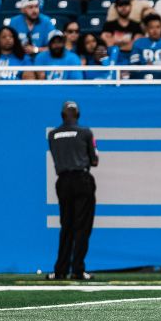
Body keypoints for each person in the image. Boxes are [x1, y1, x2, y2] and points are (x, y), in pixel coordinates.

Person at [47, 100, 99, 280]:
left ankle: (60, 270)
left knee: (66, 226)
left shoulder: (53, 134)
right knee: (82, 227)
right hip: (82, 180)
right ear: (77, 114)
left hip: (63, 181)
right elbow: (94, 160)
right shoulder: (85, 132)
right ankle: (77, 270)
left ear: (62, 115)